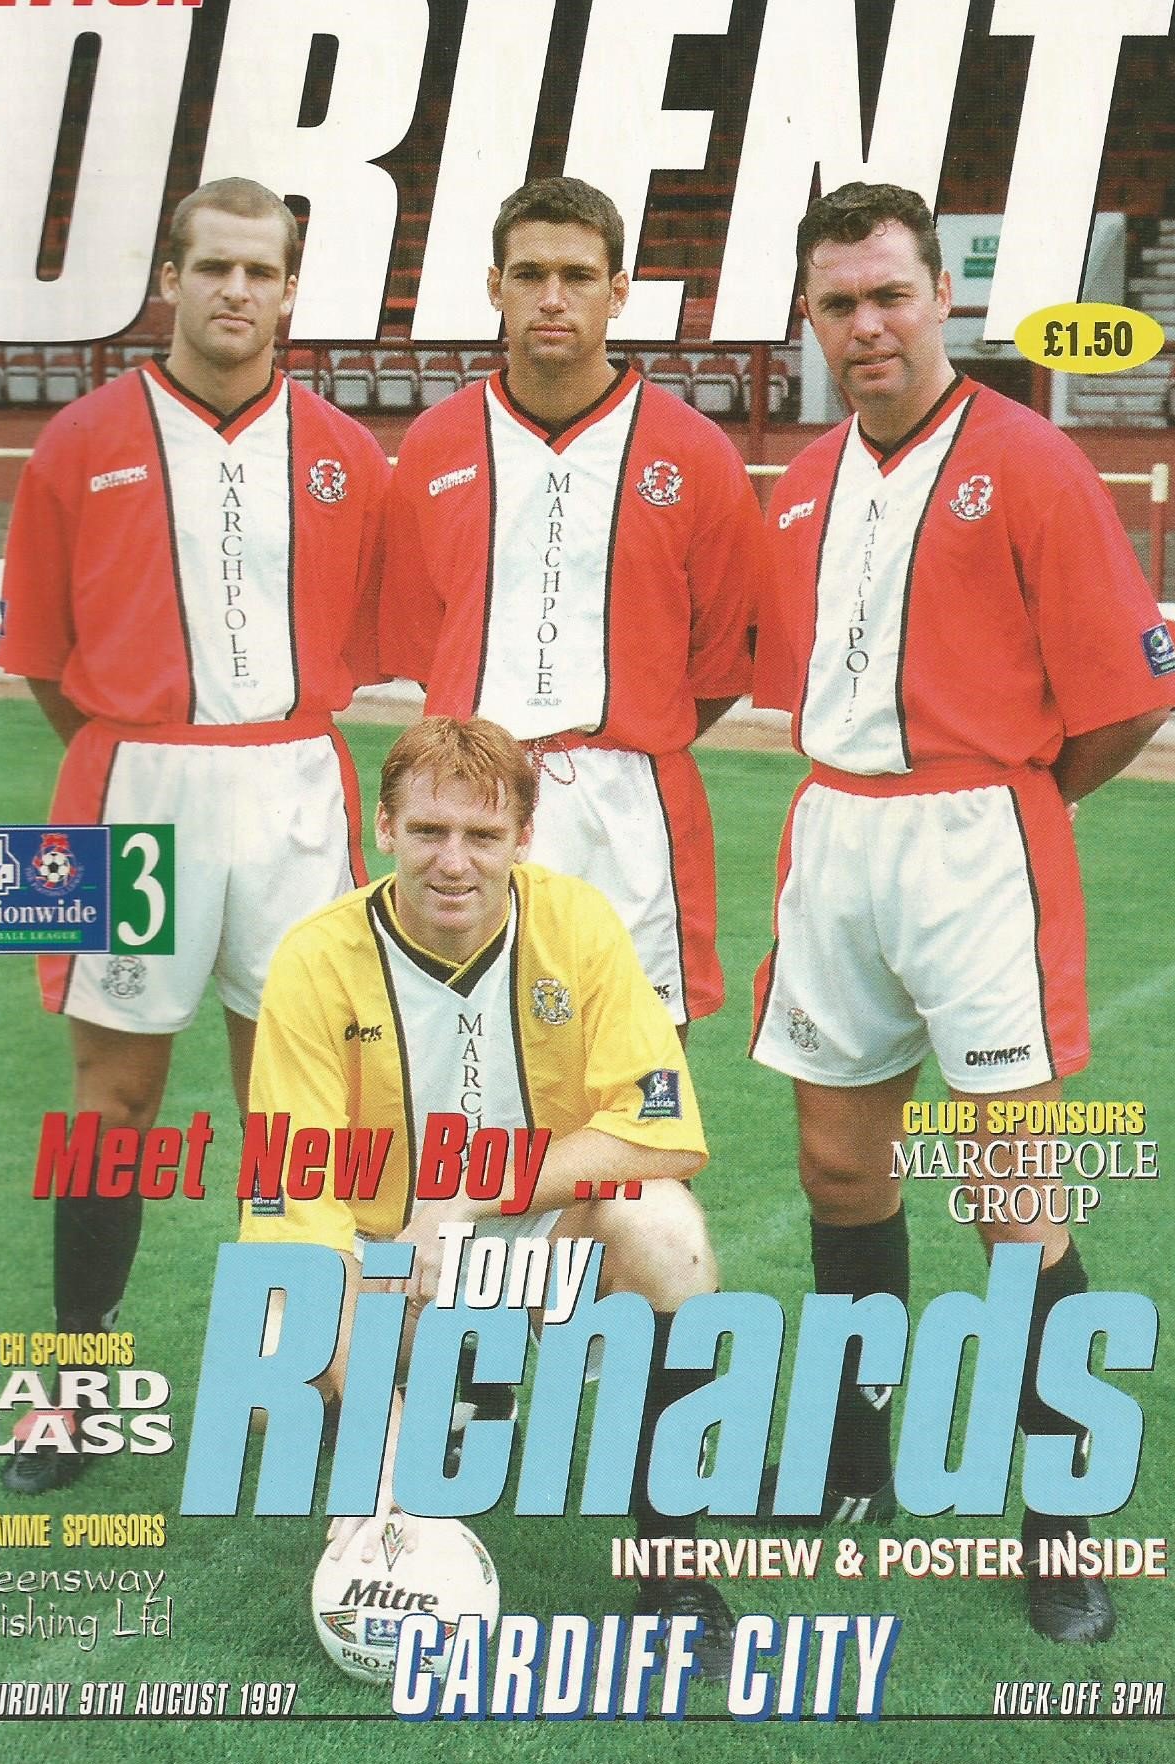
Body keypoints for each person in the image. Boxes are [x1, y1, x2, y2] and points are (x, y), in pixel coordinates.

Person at [750, 181, 1175, 1644]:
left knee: (1014, 1194)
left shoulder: (1033, 460)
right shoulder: (803, 482)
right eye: (838, 303)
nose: (866, 325)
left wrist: (1022, 800)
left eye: (890, 294)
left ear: (945, 296)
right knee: (838, 1171)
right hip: (837, 836)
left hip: (980, 839)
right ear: (811, 318)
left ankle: (1060, 1520)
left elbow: (1134, 693)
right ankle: (853, 1460)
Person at [0, 177, 389, 1492]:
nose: (235, 290)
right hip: (123, 785)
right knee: (110, 1101)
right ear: (169, 277)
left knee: (304, 1103)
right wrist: (138, 750)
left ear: (291, 291)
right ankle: (76, 1386)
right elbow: (44, 659)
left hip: (294, 785)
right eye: (212, 265)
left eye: (260, 271)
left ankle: (310, 1376)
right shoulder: (76, 441)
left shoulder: (346, 454)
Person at [241, 716, 738, 1677]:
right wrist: (376, 1447)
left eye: (483, 835)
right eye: (429, 831)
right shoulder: (314, 959)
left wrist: (467, 1196)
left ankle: (673, 1568)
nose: (454, 862)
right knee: (268, 1358)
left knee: (663, 1230)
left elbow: (665, 1130)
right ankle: (433, 1408)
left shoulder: (577, 924)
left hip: (536, 1234)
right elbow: (297, 1215)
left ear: (524, 838)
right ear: (384, 827)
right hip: (393, 1259)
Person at [379, 176, 762, 1030]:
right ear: (495, 287)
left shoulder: (694, 452)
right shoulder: (435, 445)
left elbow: (718, 664)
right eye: (529, 275)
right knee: (463, 1058)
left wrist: (623, 733)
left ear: (617, 292)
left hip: (631, 799)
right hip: (470, 803)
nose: (552, 298)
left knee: (642, 1066)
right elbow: (423, 640)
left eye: (579, 276)